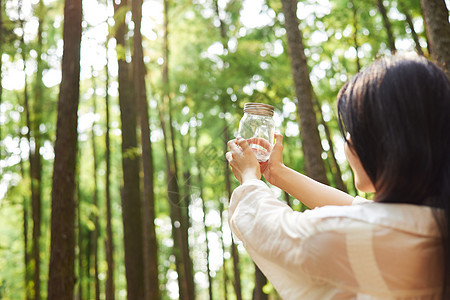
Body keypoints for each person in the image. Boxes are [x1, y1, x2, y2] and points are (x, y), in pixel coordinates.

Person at [225, 55, 450, 299]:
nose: (349, 141)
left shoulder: (364, 235)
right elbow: (360, 209)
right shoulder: (431, 222)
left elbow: (278, 234)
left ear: (388, 142)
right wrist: (277, 173)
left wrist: (249, 177)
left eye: (353, 130)